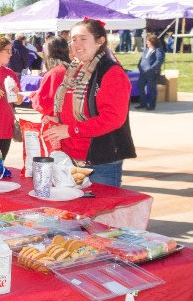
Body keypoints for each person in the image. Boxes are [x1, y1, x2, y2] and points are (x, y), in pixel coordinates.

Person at [35, 18, 136, 187]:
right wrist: (59, 121)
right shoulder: (74, 70)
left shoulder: (111, 72)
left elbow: (112, 119)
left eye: (83, 39)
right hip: (72, 157)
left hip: (99, 160)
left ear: (100, 41)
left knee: (99, 210)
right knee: (77, 209)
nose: (76, 44)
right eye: (73, 39)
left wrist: (70, 129)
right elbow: (75, 111)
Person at [136, 34, 165, 111]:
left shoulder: (158, 50)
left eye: (148, 42)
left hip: (152, 73)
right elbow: (142, 59)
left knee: (152, 89)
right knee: (140, 86)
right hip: (143, 72)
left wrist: (152, 68)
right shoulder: (146, 49)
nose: (146, 43)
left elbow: (159, 60)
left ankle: (152, 105)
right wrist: (139, 65)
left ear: (152, 42)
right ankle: (143, 103)